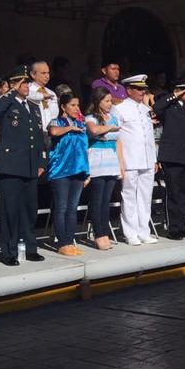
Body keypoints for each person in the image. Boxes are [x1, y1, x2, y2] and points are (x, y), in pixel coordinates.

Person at [0, 66, 47, 266]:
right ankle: (8, 251)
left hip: (30, 166)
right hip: (11, 166)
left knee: (30, 210)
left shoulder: (33, 106)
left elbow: (38, 137)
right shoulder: (6, 103)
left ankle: (30, 248)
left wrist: (41, 161)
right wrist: (11, 91)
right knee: (10, 211)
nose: (25, 86)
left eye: (27, 83)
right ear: (14, 84)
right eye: (21, 83)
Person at [154, 77, 185, 240]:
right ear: (177, 91)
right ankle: (173, 227)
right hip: (172, 156)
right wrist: (174, 96)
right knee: (173, 192)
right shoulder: (169, 106)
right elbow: (157, 107)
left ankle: (182, 226)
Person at [113, 74, 158, 245]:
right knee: (129, 196)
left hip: (146, 159)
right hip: (130, 159)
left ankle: (144, 231)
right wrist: (120, 162)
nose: (142, 92)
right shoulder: (120, 109)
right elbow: (117, 136)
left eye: (144, 89)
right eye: (138, 89)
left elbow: (149, 136)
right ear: (129, 90)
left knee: (145, 197)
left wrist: (154, 159)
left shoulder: (146, 110)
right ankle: (130, 233)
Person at [47, 94, 90, 256]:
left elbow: (85, 149)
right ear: (63, 107)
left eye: (77, 105)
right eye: (72, 105)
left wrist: (87, 172)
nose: (76, 108)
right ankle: (62, 242)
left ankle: (70, 241)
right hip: (61, 171)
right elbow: (53, 132)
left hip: (78, 170)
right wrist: (69, 128)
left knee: (73, 208)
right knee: (62, 207)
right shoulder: (56, 122)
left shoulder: (81, 124)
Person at [84, 87, 121, 250]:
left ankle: (105, 232)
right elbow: (93, 130)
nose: (109, 103)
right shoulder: (90, 118)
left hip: (111, 161)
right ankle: (98, 233)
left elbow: (118, 141)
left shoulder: (113, 117)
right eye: (106, 101)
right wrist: (109, 128)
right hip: (97, 162)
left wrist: (121, 164)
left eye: (110, 101)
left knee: (106, 201)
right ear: (98, 101)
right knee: (97, 200)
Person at [26, 60, 59, 135]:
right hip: (32, 133)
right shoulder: (27, 89)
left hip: (48, 133)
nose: (47, 76)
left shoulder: (51, 93)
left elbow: (54, 115)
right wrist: (41, 96)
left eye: (48, 73)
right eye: (43, 73)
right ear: (33, 74)